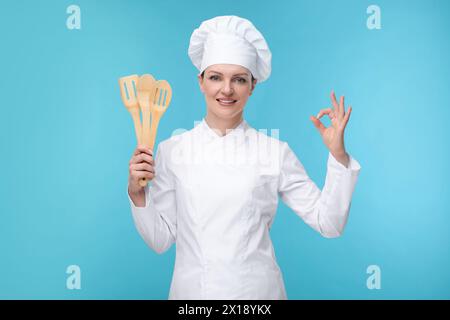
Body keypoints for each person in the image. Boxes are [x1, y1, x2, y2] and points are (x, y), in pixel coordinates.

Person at [127, 15, 361, 299]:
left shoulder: (274, 152)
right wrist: (138, 194)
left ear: (252, 86)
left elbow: (330, 223)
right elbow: (160, 240)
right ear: (201, 82)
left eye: (239, 79)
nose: (226, 90)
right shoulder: (172, 151)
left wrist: (338, 155)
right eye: (215, 77)